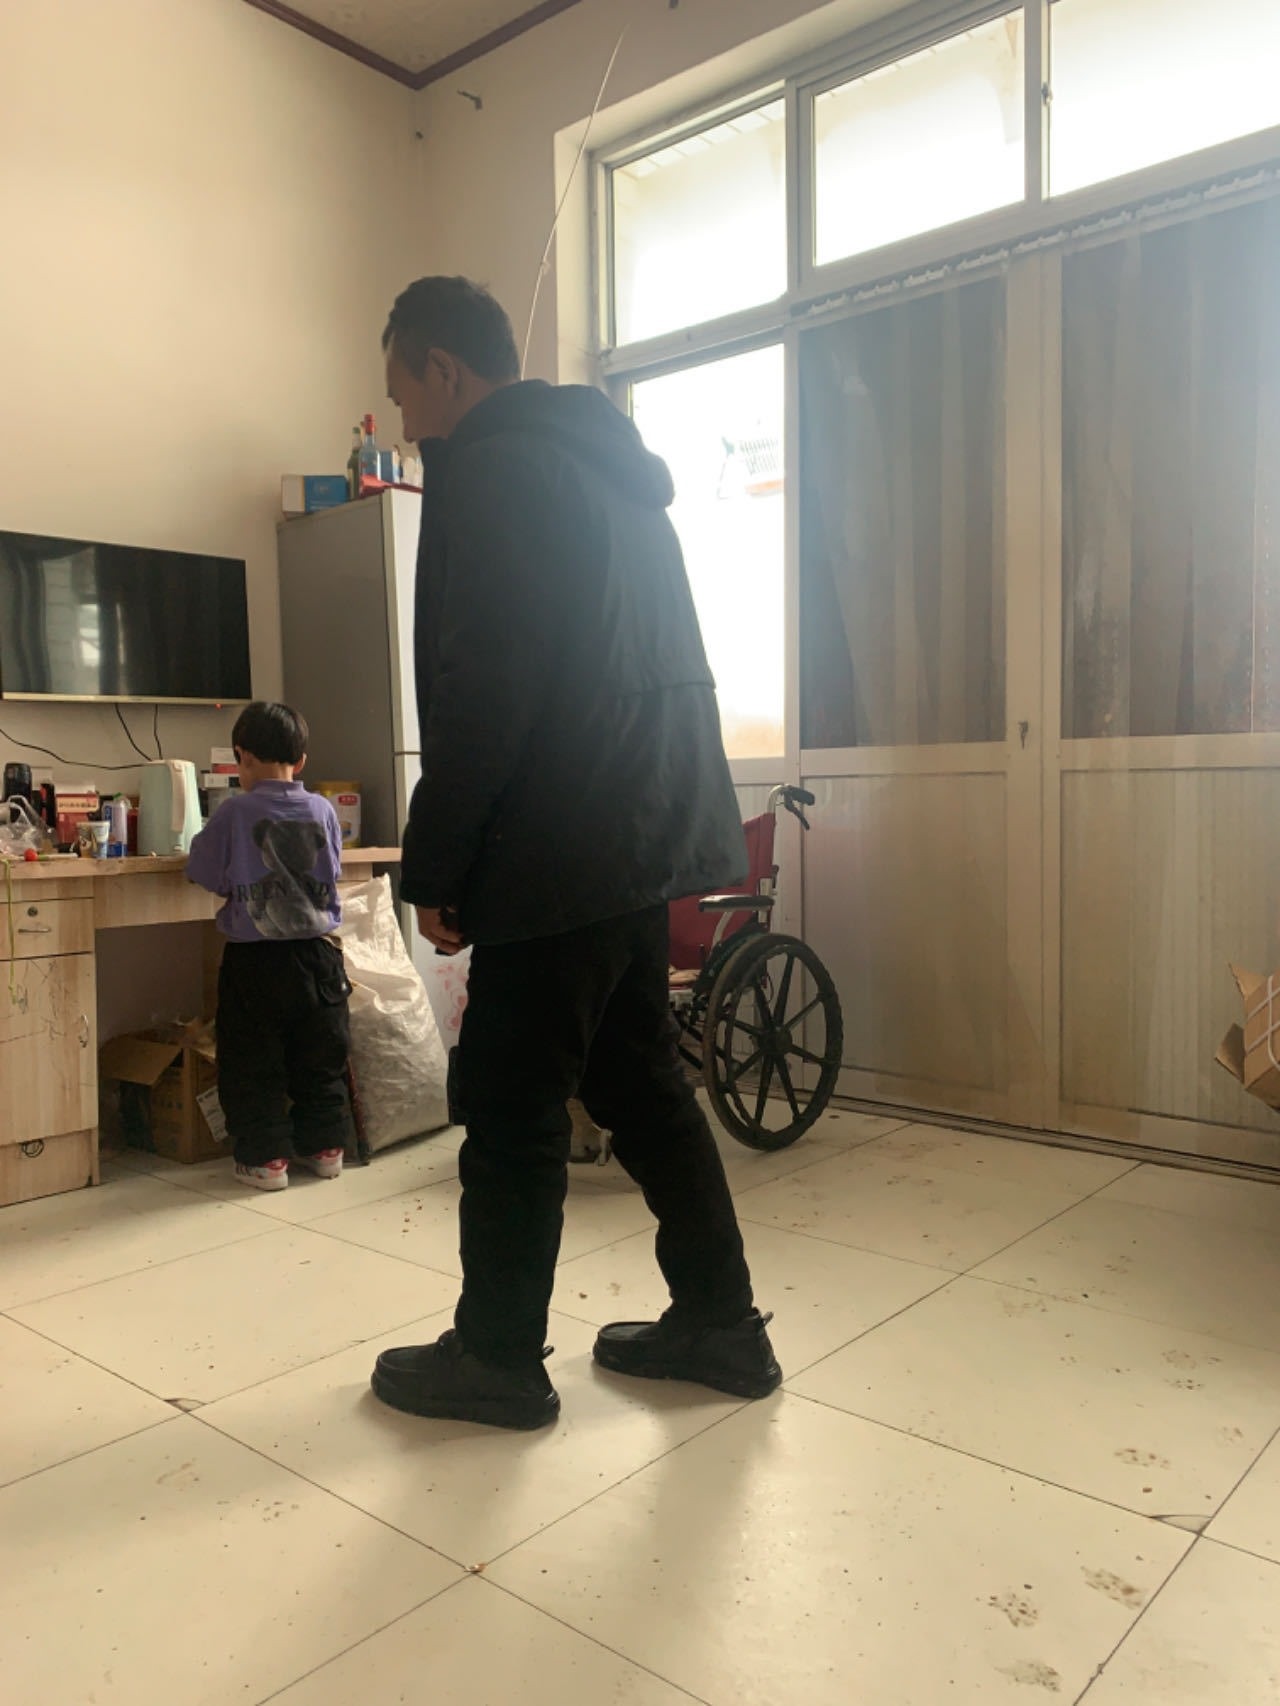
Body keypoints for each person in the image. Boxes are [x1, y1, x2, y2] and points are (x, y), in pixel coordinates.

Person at [370, 276, 779, 1430]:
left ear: (443, 368)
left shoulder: (493, 469)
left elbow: (484, 691)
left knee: (509, 1103)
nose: (404, 419)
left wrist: (437, 865)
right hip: (631, 830)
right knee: (638, 1080)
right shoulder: (612, 473)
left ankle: (497, 1356)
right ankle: (720, 1321)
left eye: (403, 390)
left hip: (554, 840)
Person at [187, 701, 354, 1191]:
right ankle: (325, 1148)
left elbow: (203, 870)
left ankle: (265, 1160)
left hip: (256, 960)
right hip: (318, 957)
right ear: (300, 761)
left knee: (252, 1062)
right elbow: (333, 869)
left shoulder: (235, 812)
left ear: (241, 757)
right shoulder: (322, 809)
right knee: (320, 1056)